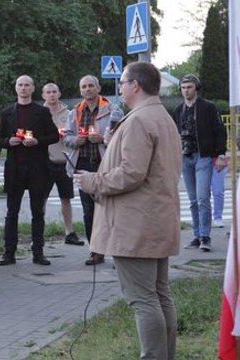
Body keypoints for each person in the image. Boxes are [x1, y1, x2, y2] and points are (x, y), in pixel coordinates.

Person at [75, 61, 180, 360]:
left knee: (144, 300)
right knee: (160, 295)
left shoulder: (138, 120)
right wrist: (112, 144)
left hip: (136, 225)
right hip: (154, 219)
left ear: (136, 85)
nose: (119, 87)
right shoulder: (161, 116)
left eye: (122, 82)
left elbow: (132, 173)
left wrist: (92, 181)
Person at [0, 76, 59, 266]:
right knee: (11, 212)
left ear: (32, 89)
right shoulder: (7, 113)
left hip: (37, 166)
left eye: (27, 85)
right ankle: (9, 252)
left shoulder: (42, 112)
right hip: (15, 167)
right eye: (20, 85)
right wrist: (8, 141)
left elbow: (54, 136)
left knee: (37, 212)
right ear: (16, 89)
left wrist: (37, 140)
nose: (23, 88)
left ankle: (38, 252)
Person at [64, 76, 124, 265]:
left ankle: (117, 250)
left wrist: (104, 139)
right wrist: (75, 141)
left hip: (105, 163)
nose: (88, 89)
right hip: (82, 163)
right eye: (84, 87)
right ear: (80, 91)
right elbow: (66, 136)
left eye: (91, 86)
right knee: (88, 210)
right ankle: (95, 250)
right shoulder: (75, 112)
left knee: (110, 208)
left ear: (98, 88)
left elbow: (122, 136)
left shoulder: (113, 110)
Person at [172, 74, 227, 252]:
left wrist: (220, 155)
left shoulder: (208, 107)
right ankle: (196, 235)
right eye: (183, 87)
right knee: (193, 200)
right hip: (185, 157)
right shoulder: (178, 111)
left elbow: (220, 130)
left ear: (196, 88)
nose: (186, 90)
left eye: (189, 87)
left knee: (203, 198)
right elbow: (173, 135)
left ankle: (205, 236)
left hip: (203, 156)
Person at [41, 83, 81, 246]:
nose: (51, 95)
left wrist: (65, 133)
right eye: (48, 92)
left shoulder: (69, 113)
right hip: (45, 161)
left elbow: (75, 134)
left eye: (54, 92)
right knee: (41, 198)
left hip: (64, 160)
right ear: (43, 95)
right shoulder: (39, 113)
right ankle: (39, 233)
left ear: (59, 94)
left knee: (66, 198)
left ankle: (69, 231)